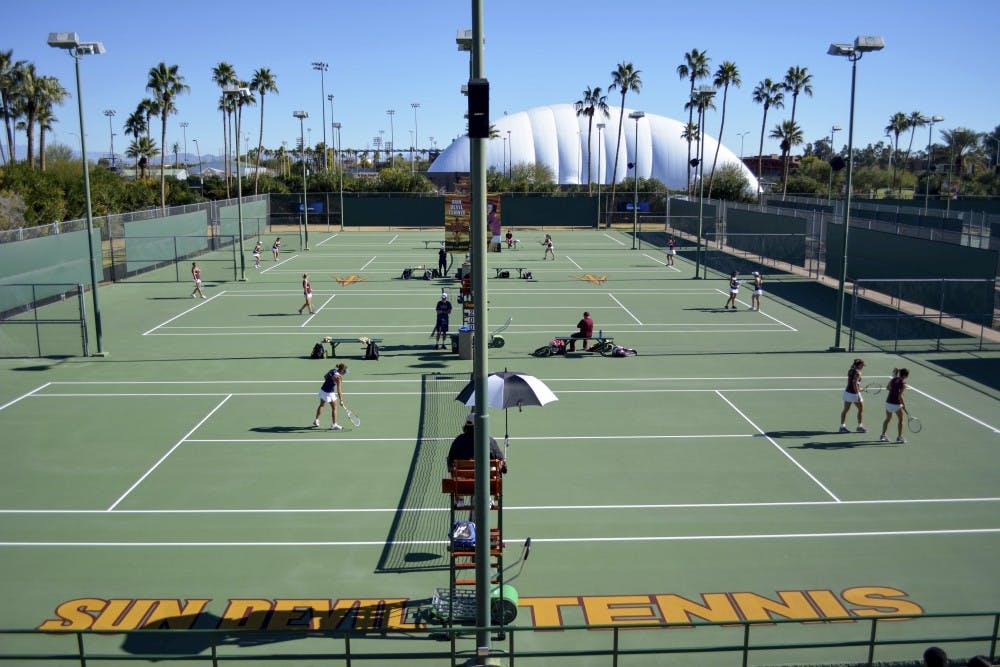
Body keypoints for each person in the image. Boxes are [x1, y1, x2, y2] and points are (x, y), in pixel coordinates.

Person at [313, 363, 347, 430]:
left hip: (323, 390)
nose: (345, 373)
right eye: (345, 371)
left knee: (321, 405)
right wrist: (341, 400)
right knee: (334, 408)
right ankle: (334, 424)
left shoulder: (332, 370)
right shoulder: (339, 378)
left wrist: (329, 383)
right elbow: (339, 390)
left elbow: (325, 376)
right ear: (342, 371)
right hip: (329, 393)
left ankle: (316, 420)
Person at [880, 368, 910, 443]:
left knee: (887, 419)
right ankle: (899, 437)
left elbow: (887, 387)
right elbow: (900, 396)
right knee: (901, 420)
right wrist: (903, 406)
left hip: (888, 402)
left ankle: (883, 435)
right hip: (896, 404)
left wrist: (893, 392)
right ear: (906, 375)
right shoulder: (903, 383)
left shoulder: (893, 379)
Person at [839, 358, 867, 433]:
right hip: (854, 393)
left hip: (847, 392)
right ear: (859, 365)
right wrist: (857, 393)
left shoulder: (850, 370)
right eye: (862, 365)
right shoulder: (858, 373)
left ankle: (842, 427)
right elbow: (854, 383)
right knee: (861, 409)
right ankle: (860, 427)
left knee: (845, 410)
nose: (863, 367)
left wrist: (859, 388)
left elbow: (853, 383)